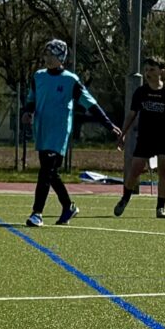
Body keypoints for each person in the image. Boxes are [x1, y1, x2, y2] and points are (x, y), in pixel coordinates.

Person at [25, 38, 121, 228]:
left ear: (61, 57)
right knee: (50, 172)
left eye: (51, 54)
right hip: (42, 129)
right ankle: (68, 207)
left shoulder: (71, 80)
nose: (47, 58)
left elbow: (90, 104)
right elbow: (31, 99)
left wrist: (109, 125)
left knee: (46, 171)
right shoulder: (38, 76)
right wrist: (27, 112)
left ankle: (37, 213)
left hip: (59, 132)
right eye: (46, 54)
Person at [114, 56, 165, 220]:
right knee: (135, 169)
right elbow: (131, 115)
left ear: (161, 72)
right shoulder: (141, 92)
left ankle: (160, 207)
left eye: (152, 69)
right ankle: (125, 198)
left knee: (163, 170)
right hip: (145, 137)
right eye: (146, 70)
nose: (148, 73)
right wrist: (122, 134)